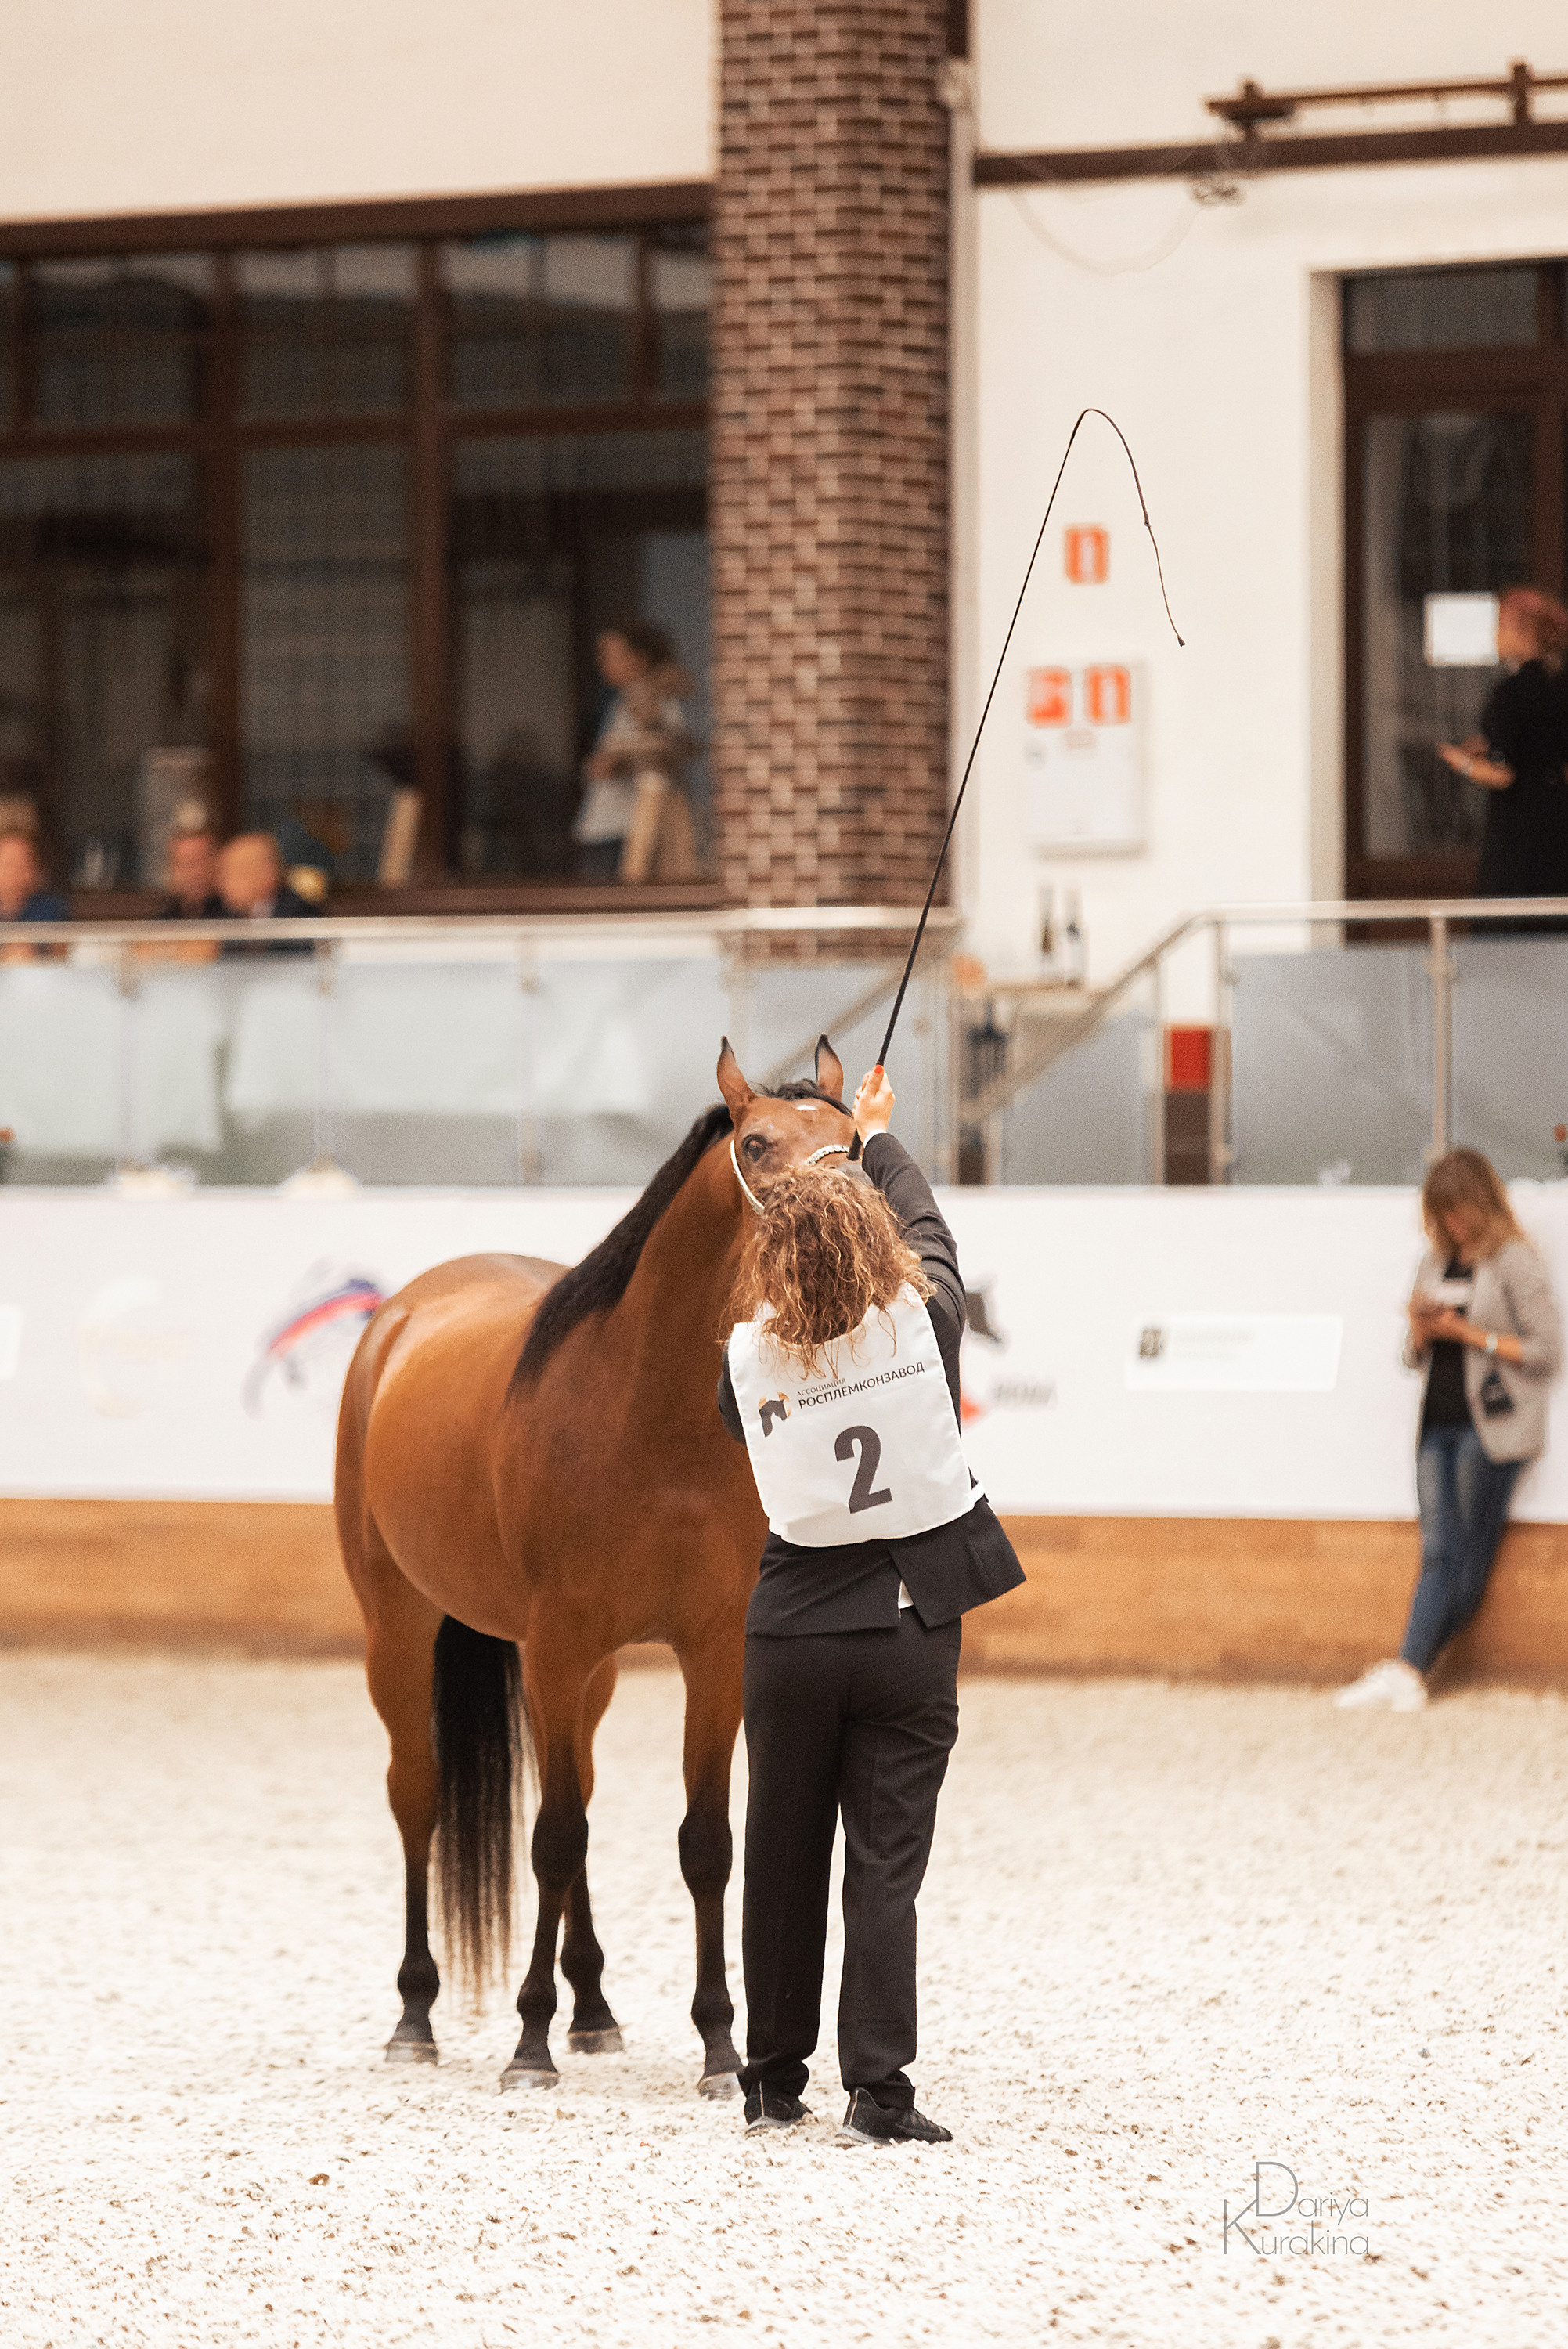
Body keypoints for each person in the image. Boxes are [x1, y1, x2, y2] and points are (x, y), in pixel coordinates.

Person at [719, 1065, 1025, 2144]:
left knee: (780, 1855)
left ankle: (769, 2079)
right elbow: (931, 1233)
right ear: (872, 1241)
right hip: (904, 1630)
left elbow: (748, 1419)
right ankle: (879, 2089)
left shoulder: (743, 1361)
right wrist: (873, 1141)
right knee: (883, 1868)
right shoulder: (923, 1323)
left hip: (790, 1630)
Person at [1337, 1148, 1561, 1712]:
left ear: (1480, 1204)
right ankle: (1410, 1670)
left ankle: (1408, 1667)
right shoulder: (1432, 1262)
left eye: (1458, 1212)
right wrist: (1419, 1330)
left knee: (1466, 1555)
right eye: (1440, 1214)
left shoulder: (1512, 1260)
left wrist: (1467, 1334)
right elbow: (1412, 1358)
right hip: (1435, 1424)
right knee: (1438, 1550)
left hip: (1490, 1429)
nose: (1451, 1225)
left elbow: (1543, 1350)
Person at [1436, 587, 1568, 932]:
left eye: (1502, 626)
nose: (1495, 635)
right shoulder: (1559, 687)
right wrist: (1490, 743)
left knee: (1509, 928)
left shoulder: (1510, 692)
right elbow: (1543, 748)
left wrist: (1461, 762)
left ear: (1526, 633)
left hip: (1518, 832)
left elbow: (1503, 775)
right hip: (1557, 823)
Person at [570, 621, 700, 884]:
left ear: (639, 659)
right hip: (605, 823)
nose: (604, 663)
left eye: (612, 656)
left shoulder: (658, 701)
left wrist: (623, 760)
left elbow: (671, 747)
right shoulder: (621, 702)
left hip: (633, 826)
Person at [216, 832, 318, 958]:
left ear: (269, 875)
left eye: (236, 873)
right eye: (223, 875)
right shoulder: (228, 917)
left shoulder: (299, 915)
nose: (223, 885)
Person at [0, 828, 68, 963]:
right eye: (10, 865)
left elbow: (62, 953)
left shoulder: (51, 907)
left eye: (24, 864)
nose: (16, 874)